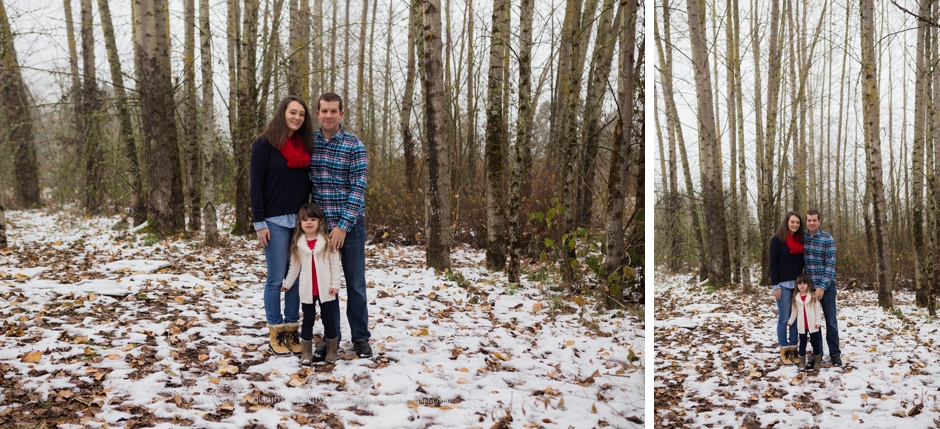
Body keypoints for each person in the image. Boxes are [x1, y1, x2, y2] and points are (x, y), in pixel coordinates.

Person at [308, 92, 372, 359]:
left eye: (334, 111)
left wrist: (343, 226)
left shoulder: (354, 145)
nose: (328, 116)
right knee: (326, 287)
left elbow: (358, 188)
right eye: (324, 111)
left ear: (341, 114)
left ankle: (360, 338)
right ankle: (331, 338)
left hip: (351, 226)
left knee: (355, 283)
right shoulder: (309, 143)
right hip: (321, 228)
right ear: (318, 113)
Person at [250, 95, 315, 356]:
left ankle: (291, 330)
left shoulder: (303, 145)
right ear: (282, 113)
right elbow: (256, 185)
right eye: (293, 112)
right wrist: (259, 223)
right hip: (274, 222)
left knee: (295, 277)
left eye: (301, 114)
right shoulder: (264, 143)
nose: (297, 117)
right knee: (276, 278)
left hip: (299, 223)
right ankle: (275, 331)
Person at [281, 203, 342, 365]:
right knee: (308, 320)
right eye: (305, 219)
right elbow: (294, 267)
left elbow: (335, 264)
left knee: (328, 319)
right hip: (308, 290)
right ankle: (306, 352)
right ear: (300, 223)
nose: (309, 222)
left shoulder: (327, 242)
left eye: (313, 219)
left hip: (326, 289)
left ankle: (331, 351)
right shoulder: (298, 244)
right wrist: (287, 284)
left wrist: (336, 284)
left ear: (319, 222)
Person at [804, 209, 840, 368]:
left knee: (831, 322)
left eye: (814, 220)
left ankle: (835, 354)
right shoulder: (803, 239)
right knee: (814, 324)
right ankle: (817, 355)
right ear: (806, 222)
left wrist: (822, 287)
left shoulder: (827, 239)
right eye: (809, 220)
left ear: (819, 221)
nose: (811, 223)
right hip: (810, 289)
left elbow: (830, 265)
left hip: (827, 288)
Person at [770, 211, 805, 366]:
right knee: (784, 318)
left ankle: (793, 349)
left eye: (797, 222)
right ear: (786, 222)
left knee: (795, 318)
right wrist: (775, 285)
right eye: (792, 222)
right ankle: (783, 350)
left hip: (797, 286)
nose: (795, 225)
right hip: (782, 286)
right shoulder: (777, 240)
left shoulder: (800, 240)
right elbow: (772, 263)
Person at [787, 274, 823, 372]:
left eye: (804, 283)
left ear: (808, 285)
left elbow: (817, 310)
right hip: (802, 325)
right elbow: (794, 312)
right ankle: (802, 363)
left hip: (813, 325)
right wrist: (790, 321)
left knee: (815, 343)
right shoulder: (796, 298)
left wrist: (818, 322)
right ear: (797, 285)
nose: (802, 285)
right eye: (799, 284)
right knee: (802, 344)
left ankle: (817, 362)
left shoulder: (813, 296)